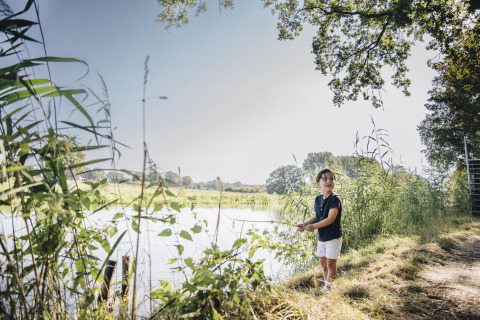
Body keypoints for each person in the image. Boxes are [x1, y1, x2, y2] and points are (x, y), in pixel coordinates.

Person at [296, 168, 343, 291]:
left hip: (333, 237)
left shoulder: (335, 199)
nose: (329, 181)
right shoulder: (318, 199)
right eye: (325, 179)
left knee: (331, 263)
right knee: (323, 264)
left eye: (332, 179)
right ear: (318, 184)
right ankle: (327, 283)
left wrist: (314, 227)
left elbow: (330, 219)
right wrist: (305, 224)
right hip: (322, 237)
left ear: (334, 183)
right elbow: (317, 216)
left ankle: (329, 287)